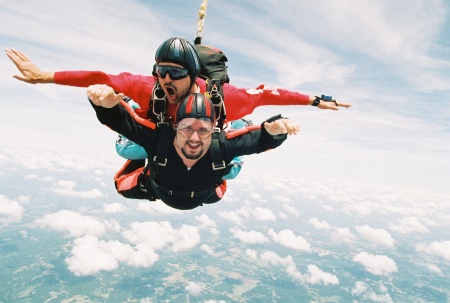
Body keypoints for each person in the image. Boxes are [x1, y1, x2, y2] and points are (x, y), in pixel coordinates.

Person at [88, 84, 299, 210]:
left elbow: (257, 140)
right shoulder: (161, 138)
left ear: (214, 130)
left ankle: (237, 123)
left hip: (201, 191)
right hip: (171, 188)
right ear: (175, 127)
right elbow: (126, 123)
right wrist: (107, 106)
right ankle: (236, 126)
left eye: (203, 130)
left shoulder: (220, 146)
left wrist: (275, 132)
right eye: (187, 128)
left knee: (229, 169)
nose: (195, 138)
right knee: (121, 181)